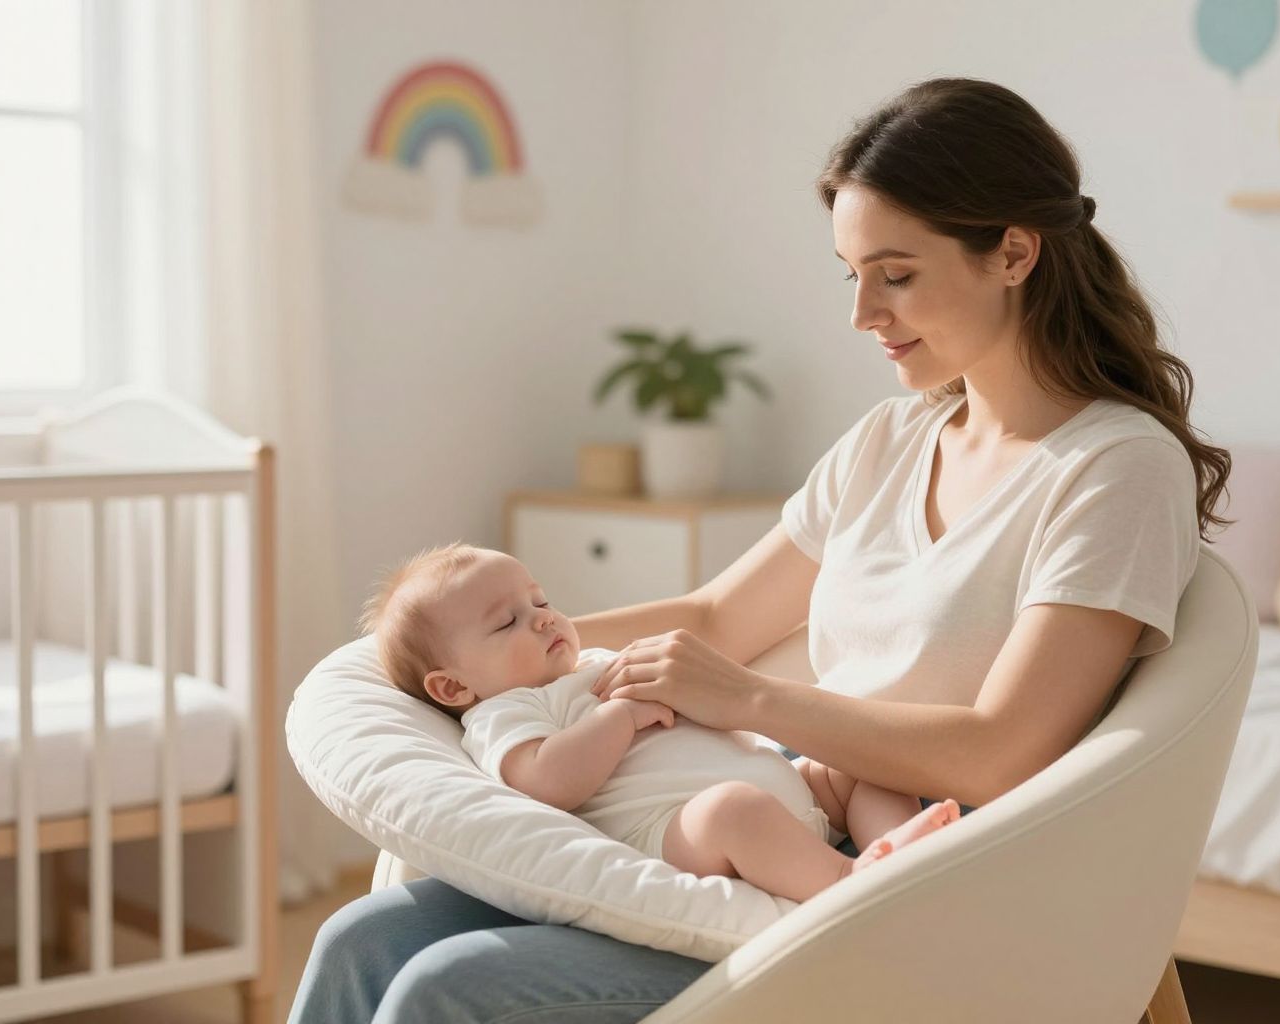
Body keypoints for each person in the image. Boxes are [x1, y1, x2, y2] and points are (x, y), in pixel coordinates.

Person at [289, 75, 1232, 1023]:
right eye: (851, 274)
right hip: (795, 815)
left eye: (896, 274)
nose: (862, 313)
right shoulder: (890, 442)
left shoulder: (1115, 469)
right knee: (358, 942)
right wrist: (494, 652)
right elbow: (716, 618)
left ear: (1014, 253)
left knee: (444, 991)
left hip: (936, 876)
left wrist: (746, 698)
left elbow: (1001, 753)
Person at [357, 542, 963, 904]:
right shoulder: (505, 712)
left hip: (793, 791)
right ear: (453, 686)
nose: (541, 621)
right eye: (505, 623)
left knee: (856, 756)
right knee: (732, 810)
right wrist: (620, 715)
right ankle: (851, 883)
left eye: (539, 602)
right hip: (680, 834)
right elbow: (547, 780)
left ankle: (898, 848)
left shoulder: (591, 661)